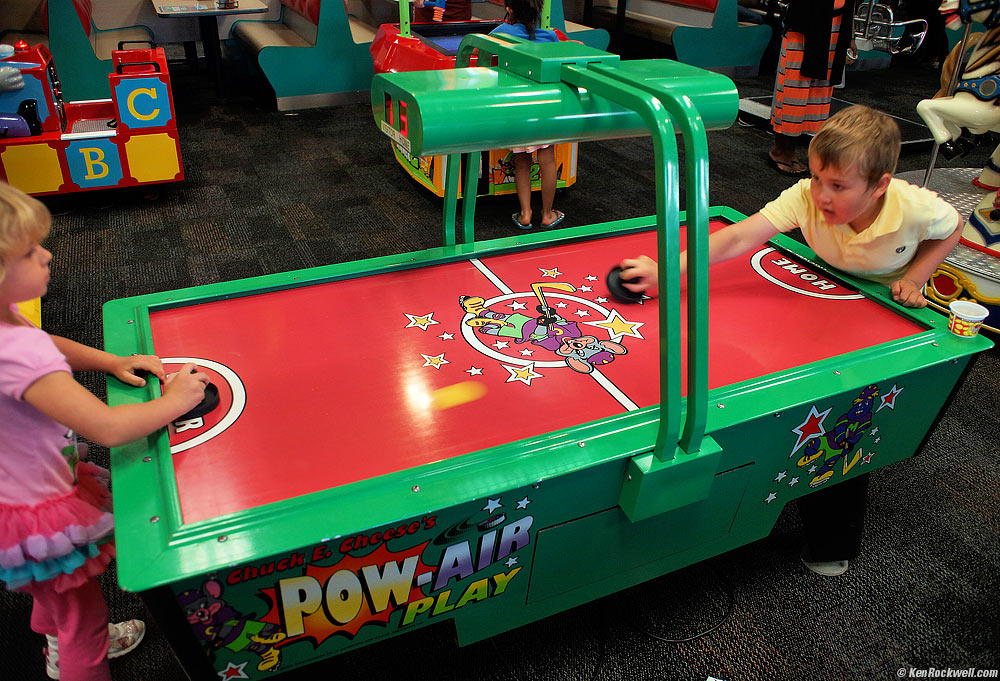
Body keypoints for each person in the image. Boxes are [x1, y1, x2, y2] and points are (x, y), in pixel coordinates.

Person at [618, 105, 963, 576]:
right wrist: (667, 271)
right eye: (818, 177)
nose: (821, 194)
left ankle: (832, 540)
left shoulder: (915, 206)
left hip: (884, 301)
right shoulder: (805, 195)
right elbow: (740, 238)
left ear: (880, 184)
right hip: (820, 281)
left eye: (838, 186)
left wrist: (919, 276)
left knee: (847, 404)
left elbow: (952, 230)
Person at [0, 182, 210, 680]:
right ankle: (69, 658)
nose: (48, 255)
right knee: (85, 624)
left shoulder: (6, 325)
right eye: (30, 252)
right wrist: (177, 400)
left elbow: (42, 338)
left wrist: (111, 360)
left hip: (12, 498)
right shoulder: (18, 357)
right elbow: (110, 428)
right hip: (35, 512)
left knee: (50, 590)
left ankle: (51, 631)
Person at [490, 0, 566, 230]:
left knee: (522, 160)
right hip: (543, 107)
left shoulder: (503, 31)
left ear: (509, 10)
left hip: (518, 107)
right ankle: (547, 214)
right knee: (547, 159)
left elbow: (475, 48)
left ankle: (525, 213)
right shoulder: (549, 37)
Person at [768, 0, 858, 176]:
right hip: (804, 31)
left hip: (834, 31)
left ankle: (790, 151)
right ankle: (780, 151)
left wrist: (850, 37)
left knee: (816, 96)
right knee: (793, 91)